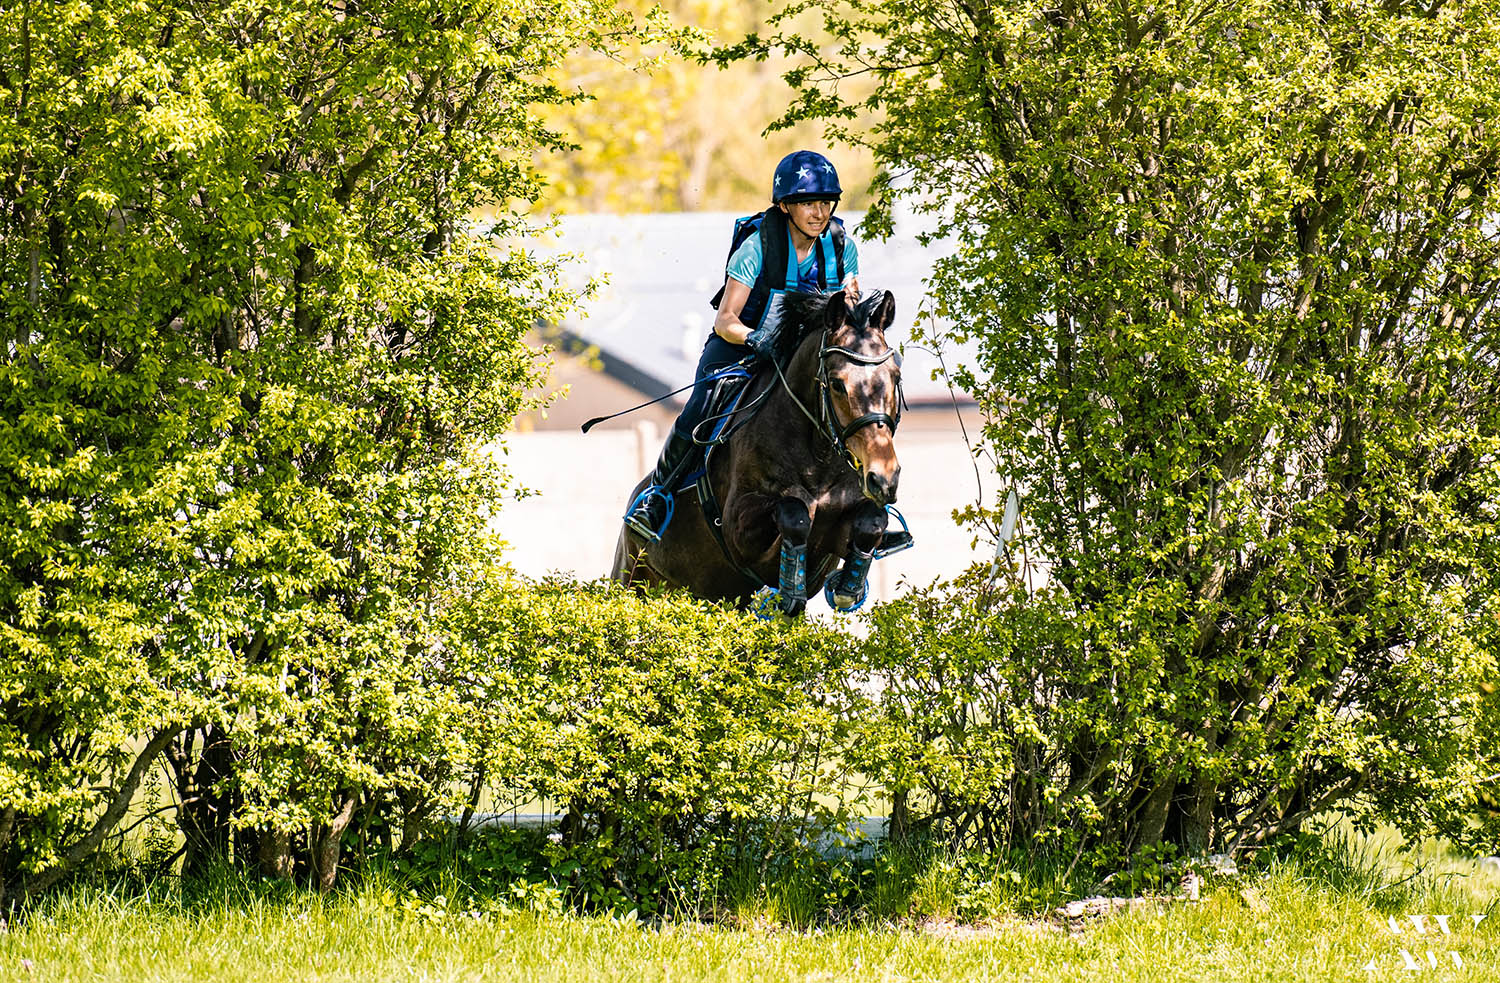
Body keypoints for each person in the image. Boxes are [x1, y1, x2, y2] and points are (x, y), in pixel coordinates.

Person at [624, 150, 862, 541]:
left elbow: (849, 311)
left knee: (859, 400)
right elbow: (726, 320)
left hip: (807, 355)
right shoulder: (757, 246)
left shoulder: (841, 247)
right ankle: (658, 496)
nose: (819, 213)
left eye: (825, 202)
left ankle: (872, 501)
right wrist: (757, 339)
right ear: (785, 206)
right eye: (807, 204)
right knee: (701, 407)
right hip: (743, 345)